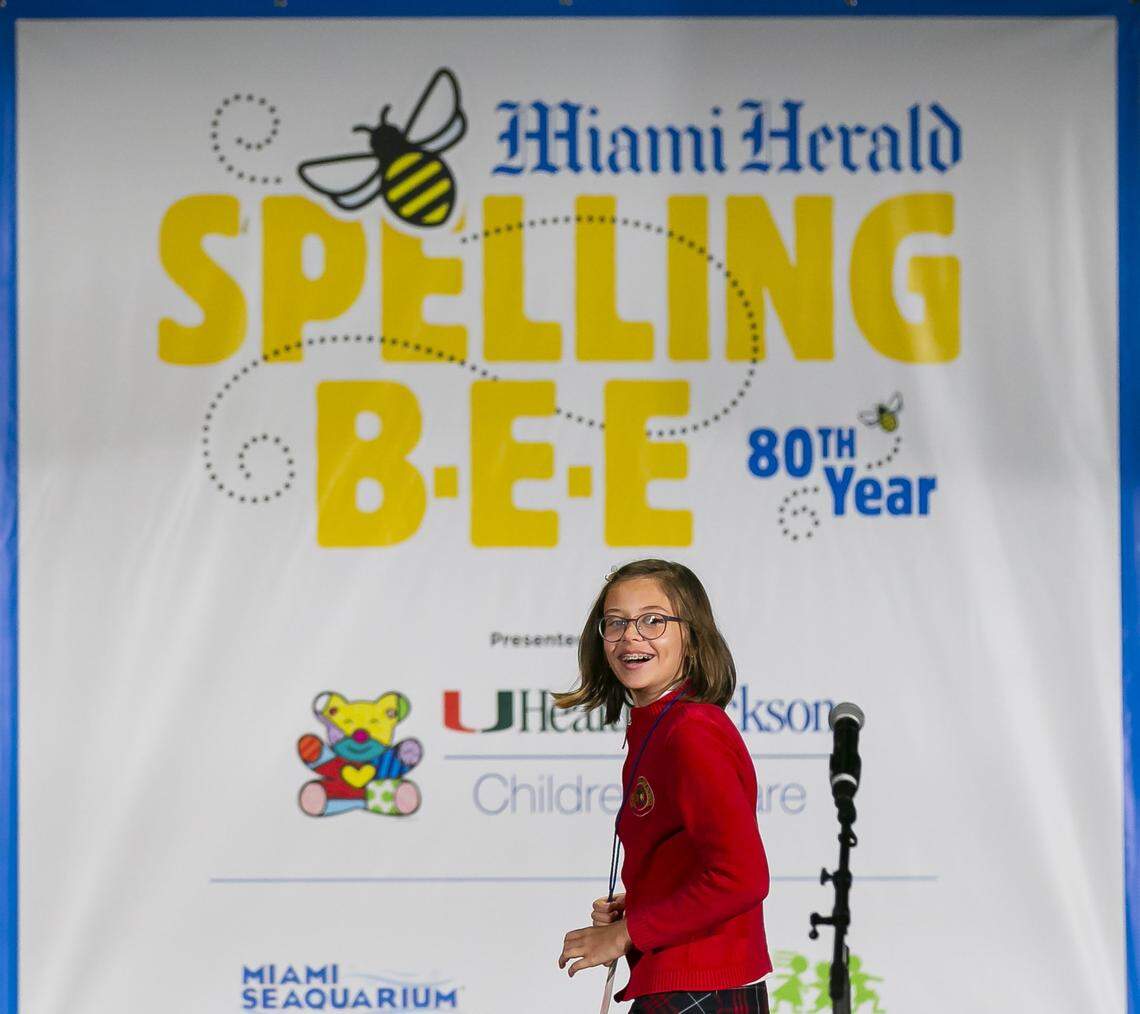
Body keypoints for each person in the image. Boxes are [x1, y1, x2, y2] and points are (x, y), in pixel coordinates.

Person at [556, 559, 773, 1013]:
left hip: (701, 987)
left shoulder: (691, 731)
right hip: (688, 982)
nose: (631, 636)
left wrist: (623, 933)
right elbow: (696, 862)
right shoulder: (660, 725)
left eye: (653, 620)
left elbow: (742, 878)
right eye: (615, 623)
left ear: (690, 635)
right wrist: (643, 906)